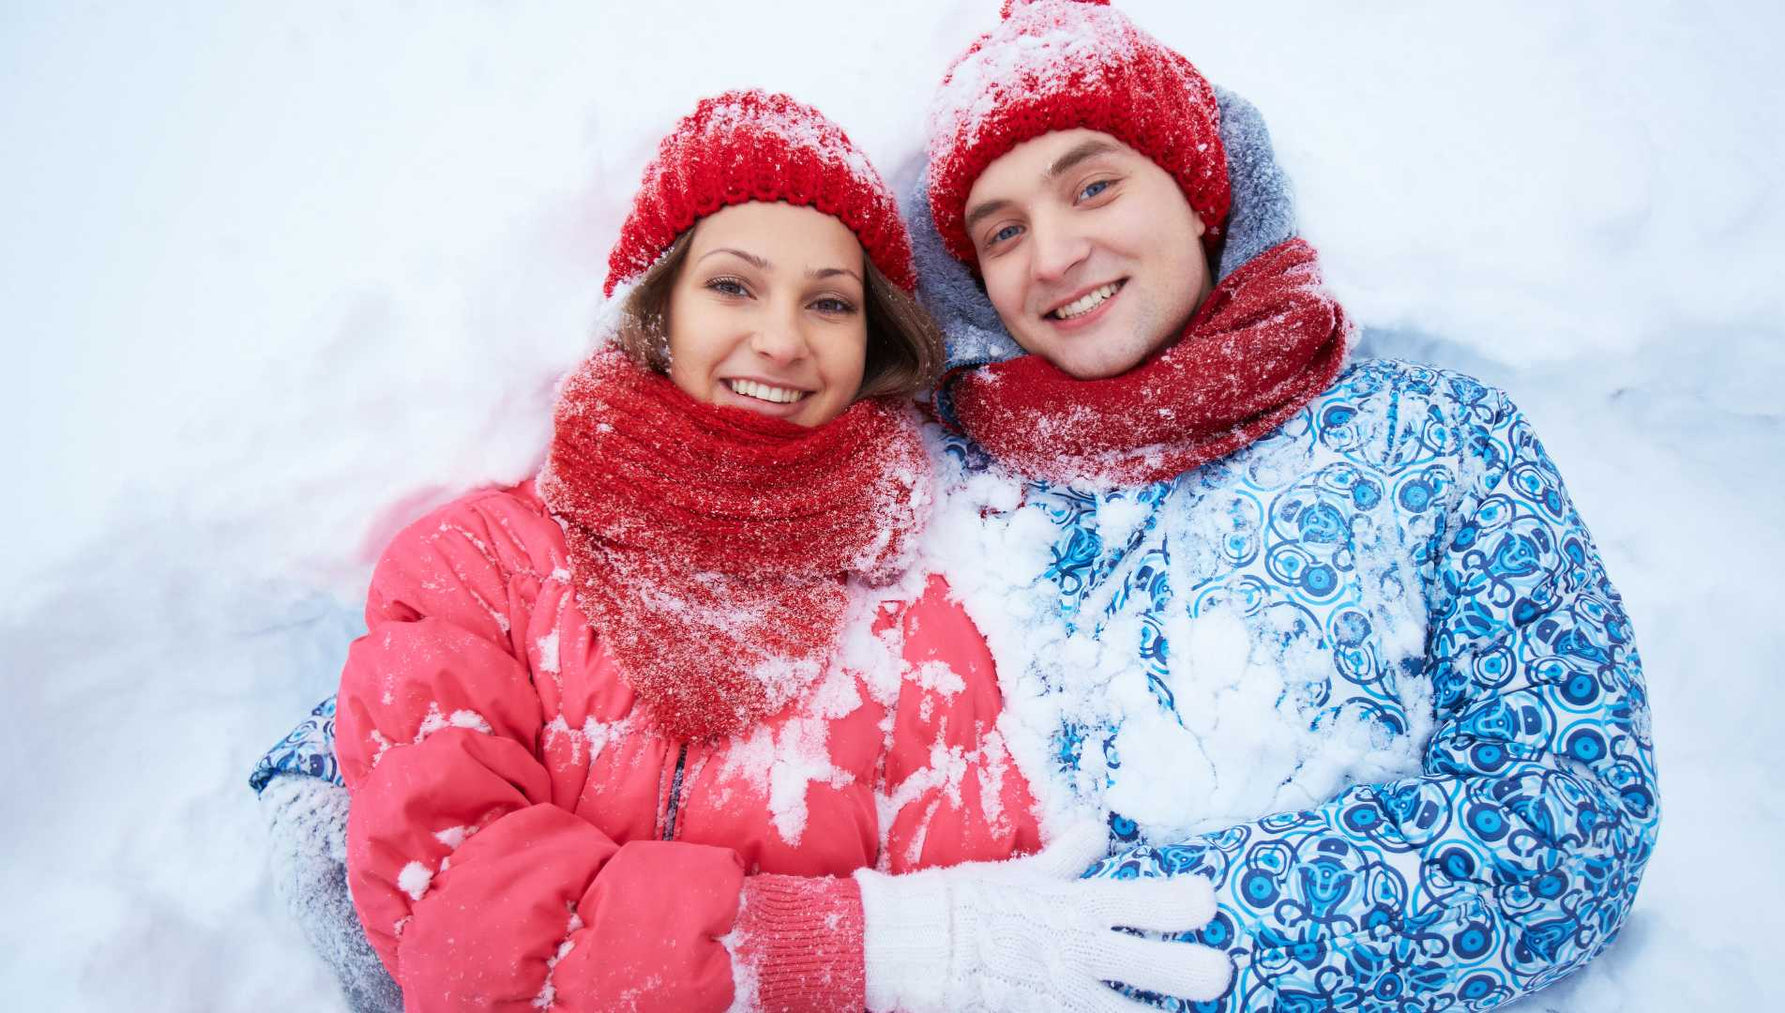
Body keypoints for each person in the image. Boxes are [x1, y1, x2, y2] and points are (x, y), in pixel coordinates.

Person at [252, 88, 1230, 1012]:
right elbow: (463, 917)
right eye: (732, 286)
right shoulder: (477, 564)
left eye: (830, 303)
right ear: (657, 306)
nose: (781, 340)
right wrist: (859, 946)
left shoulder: (930, 603)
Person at [901, 1, 1660, 1009]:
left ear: (1199, 196)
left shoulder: (1435, 437)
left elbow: (1567, 823)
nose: (1051, 256)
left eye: (1093, 186)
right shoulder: (940, 486)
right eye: (1003, 232)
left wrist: (1093, 942)